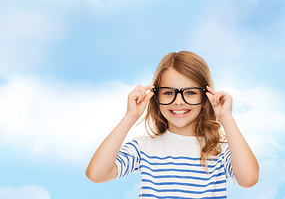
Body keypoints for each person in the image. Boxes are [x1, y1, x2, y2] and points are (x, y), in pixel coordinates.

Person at [86, 51, 259, 198]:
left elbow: (248, 179)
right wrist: (130, 116)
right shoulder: (143, 148)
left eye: (190, 92)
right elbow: (96, 174)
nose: (178, 101)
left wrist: (226, 118)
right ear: (156, 97)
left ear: (205, 97)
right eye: (168, 92)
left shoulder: (219, 151)